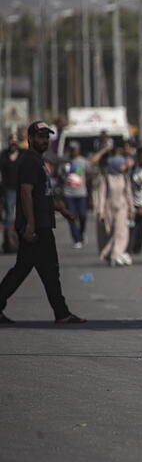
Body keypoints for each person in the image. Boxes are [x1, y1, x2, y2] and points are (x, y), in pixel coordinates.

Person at [0, 121, 86, 324]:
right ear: (30, 139)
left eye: (47, 136)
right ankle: (61, 312)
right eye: (40, 136)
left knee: (24, 270)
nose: (44, 140)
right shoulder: (29, 161)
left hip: (41, 222)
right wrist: (30, 223)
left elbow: (43, 195)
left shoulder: (39, 161)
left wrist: (63, 210)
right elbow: (25, 192)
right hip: (37, 226)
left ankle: (61, 312)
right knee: (49, 270)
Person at [97, 155, 135, 266]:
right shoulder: (106, 179)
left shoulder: (125, 178)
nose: (124, 166)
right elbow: (102, 196)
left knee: (121, 232)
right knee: (109, 233)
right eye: (122, 164)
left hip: (122, 208)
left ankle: (116, 254)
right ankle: (108, 254)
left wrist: (131, 209)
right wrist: (101, 211)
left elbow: (128, 194)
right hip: (109, 209)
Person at [58, 141, 89, 249]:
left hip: (81, 193)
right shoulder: (64, 162)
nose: (72, 151)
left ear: (78, 150)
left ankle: (81, 233)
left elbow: (89, 174)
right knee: (71, 216)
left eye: (74, 149)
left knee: (82, 216)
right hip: (68, 193)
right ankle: (76, 239)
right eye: (71, 149)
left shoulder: (83, 161)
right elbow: (60, 177)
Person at [1, 135, 21, 253]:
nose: (13, 146)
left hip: (21, 189)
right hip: (8, 189)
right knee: (9, 217)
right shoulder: (4, 155)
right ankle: (10, 240)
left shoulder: (22, 155)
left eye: (15, 144)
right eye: (11, 144)